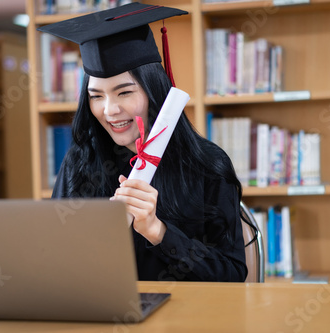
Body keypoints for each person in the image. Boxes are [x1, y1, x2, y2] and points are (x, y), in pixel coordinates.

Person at [39, 3, 247, 282]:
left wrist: (158, 231)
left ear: (154, 90)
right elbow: (55, 257)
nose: (109, 109)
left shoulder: (207, 165)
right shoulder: (80, 162)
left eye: (123, 92)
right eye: (96, 96)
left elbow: (232, 275)